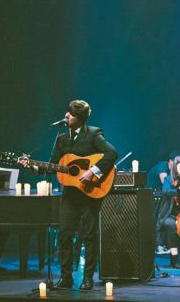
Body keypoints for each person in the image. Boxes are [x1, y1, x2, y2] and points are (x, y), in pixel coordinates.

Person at [22, 100, 118, 290]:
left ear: (80, 118)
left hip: (90, 193)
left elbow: (112, 153)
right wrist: (33, 166)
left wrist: (92, 172)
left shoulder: (93, 134)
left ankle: (88, 278)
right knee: (65, 234)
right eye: (67, 112)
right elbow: (52, 166)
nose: (66, 116)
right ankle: (66, 278)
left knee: (89, 236)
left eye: (71, 114)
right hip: (70, 195)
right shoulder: (62, 139)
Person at [156, 155, 180, 269]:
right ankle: (174, 259)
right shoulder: (168, 179)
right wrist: (179, 192)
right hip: (170, 213)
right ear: (175, 167)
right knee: (170, 224)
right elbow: (165, 191)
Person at [149, 152, 180, 254]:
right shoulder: (163, 166)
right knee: (158, 219)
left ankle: (165, 245)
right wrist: (179, 189)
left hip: (161, 194)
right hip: (154, 193)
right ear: (171, 162)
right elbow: (163, 182)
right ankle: (158, 245)